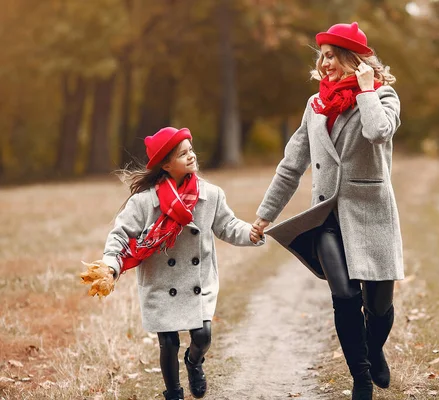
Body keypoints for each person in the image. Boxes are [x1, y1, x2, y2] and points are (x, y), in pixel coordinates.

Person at [254, 22, 403, 400]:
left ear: (355, 60)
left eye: (333, 56)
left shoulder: (384, 96)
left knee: (378, 305)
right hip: (325, 217)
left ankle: (374, 349)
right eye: (322, 56)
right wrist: (265, 214)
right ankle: (361, 379)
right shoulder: (315, 105)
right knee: (345, 295)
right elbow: (292, 164)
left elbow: (378, 132)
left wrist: (366, 90)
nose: (325, 64)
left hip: (371, 214)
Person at [97, 127, 264, 400]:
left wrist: (250, 233)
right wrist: (109, 265)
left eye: (191, 150)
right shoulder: (144, 203)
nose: (191, 156)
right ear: (166, 164)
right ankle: (173, 392)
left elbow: (228, 225)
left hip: (197, 281)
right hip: (161, 282)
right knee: (168, 342)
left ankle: (195, 362)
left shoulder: (210, 195)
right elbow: (120, 235)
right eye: (183, 153)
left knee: (203, 336)